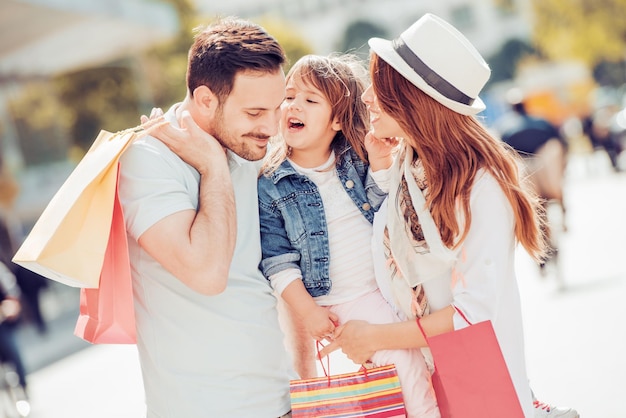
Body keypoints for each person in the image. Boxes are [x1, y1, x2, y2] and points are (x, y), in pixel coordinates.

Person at [320, 13, 579, 418]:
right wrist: (383, 167)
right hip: (427, 380)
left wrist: (376, 337)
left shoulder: (481, 186)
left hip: (475, 383)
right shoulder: (411, 166)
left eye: (380, 87)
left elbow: (473, 314)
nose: (366, 97)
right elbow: (405, 249)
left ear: (412, 99)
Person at [118, 17, 295, 417]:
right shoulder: (146, 159)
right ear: (205, 100)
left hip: (283, 401)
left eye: (276, 109)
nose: (270, 127)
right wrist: (213, 168)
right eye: (254, 112)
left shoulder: (250, 147)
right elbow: (208, 273)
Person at [257, 54, 439, 417]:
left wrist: (378, 163)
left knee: (433, 360)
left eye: (311, 100)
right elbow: (278, 262)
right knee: (405, 365)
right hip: (348, 300)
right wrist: (308, 312)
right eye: (289, 96)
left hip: (392, 289)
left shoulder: (354, 160)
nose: (294, 106)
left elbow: (383, 206)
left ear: (338, 119)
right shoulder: (270, 183)